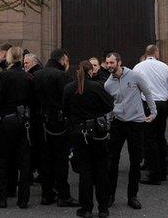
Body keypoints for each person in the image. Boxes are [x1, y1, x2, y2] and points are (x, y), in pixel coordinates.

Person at [64, 60, 115, 218]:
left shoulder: (69, 88)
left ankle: (86, 208)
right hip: (97, 133)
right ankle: (103, 208)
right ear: (90, 71)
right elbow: (109, 105)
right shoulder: (97, 86)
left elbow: (65, 109)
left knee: (85, 171)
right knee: (101, 170)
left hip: (79, 133)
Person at [103, 51, 154, 210]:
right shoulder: (107, 84)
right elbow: (109, 104)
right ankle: (110, 195)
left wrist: (153, 112)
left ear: (119, 62)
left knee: (135, 161)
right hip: (118, 123)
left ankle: (133, 196)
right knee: (113, 161)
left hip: (136, 123)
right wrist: (108, 118)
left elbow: (147, 92)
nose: (109, 66)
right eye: (107, 63)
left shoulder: (134, 76)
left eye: (112, 63)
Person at [0, 45, 33, 209]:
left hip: (7, 120)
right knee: (23, 161)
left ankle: (1, 198)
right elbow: (31, 99)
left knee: (2, 159)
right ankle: (23, 199)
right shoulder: (28, 77)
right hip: (22, 121)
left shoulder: (5, 75)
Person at [33, 48, 77, 206]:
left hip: (41, 121)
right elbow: (69, 100)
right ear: (63, 60)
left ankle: (47, 194)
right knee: (61, 159)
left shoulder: (37, 74)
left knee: (45, 159)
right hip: (58, 123)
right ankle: (63, 195)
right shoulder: (62, 76)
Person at [134, 44, 168, 184]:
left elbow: (134, 87)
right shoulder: (164, 66)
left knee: (150, 139)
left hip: (148, 105)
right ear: (156, 52)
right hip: (162, 104)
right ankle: (163, 170)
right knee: (160, 137)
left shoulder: (138, 67)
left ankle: (154, 173)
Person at [22, 52, 43, 184]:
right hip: (36, 116)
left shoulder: (32, 76)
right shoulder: (34, 74)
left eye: (26, 63)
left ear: (34, 63)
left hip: (34, 116)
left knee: (32, 146)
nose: (24, 65)